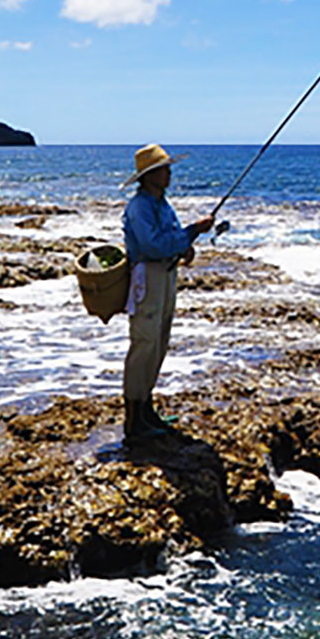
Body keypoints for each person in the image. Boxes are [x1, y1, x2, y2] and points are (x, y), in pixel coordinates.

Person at [120, 144, 213, 440]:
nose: (169, 173)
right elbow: (151, 245)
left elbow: (169, 237)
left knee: (159, 341)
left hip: (166, 273)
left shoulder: (161, 203)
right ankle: (134, 420)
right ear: (148, 176)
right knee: (144, 343)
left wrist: (185, 244)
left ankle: (147, 410)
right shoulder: (139, 207)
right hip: (148, 275)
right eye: (163, 169)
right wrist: (192, 232)